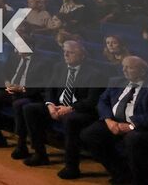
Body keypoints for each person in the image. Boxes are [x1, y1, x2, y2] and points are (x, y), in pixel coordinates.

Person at [75, 56, 148, 182]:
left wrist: (131, 126)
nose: (124, 70)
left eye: (130, 68)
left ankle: (138, 180)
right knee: (89, 134)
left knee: (132, 138)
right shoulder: (117, 81)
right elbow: (102, 101)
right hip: (114, 122)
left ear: (142, 71)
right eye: (123, 67)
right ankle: (120, 173)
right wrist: (108, 120)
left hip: (142, 128)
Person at [20, 40, 104, 173]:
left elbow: (92, 101)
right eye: (65, 52)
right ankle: (40, 154)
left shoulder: (94, 74)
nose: (66, 55)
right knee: (30, 109)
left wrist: (70, 108)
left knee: (70, 119)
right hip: (58, 106)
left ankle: (72, 166)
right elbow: (50, 89)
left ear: (82, 55)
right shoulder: (59, 67)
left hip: (81, 110)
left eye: (70, 52)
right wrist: (50, 105)